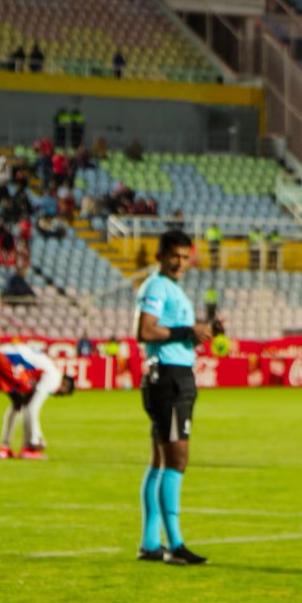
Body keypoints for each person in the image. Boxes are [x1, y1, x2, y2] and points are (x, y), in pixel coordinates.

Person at [134, 229, 215, 565]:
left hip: (172, 373)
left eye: (186, 257)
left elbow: (169, 333)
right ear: (161, 255)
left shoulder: (173, 289)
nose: (181, 263)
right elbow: (145, 330)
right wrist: (186, 332)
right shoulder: (156, 286)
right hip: (168, 378)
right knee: (177, 459)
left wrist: (197, 335)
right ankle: (174, 545)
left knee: (159, 462)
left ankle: (150, 543)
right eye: (175, 256)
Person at [0, 343, 76, 460]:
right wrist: (37, 437)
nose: (58, 396)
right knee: (28, 404)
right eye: (62, 393)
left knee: (18, 403)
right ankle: (29, 448)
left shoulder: (47, 368)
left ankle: (4, 448)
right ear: (64, 385)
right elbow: (33, 407)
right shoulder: (54, 378)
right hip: (7, 358)